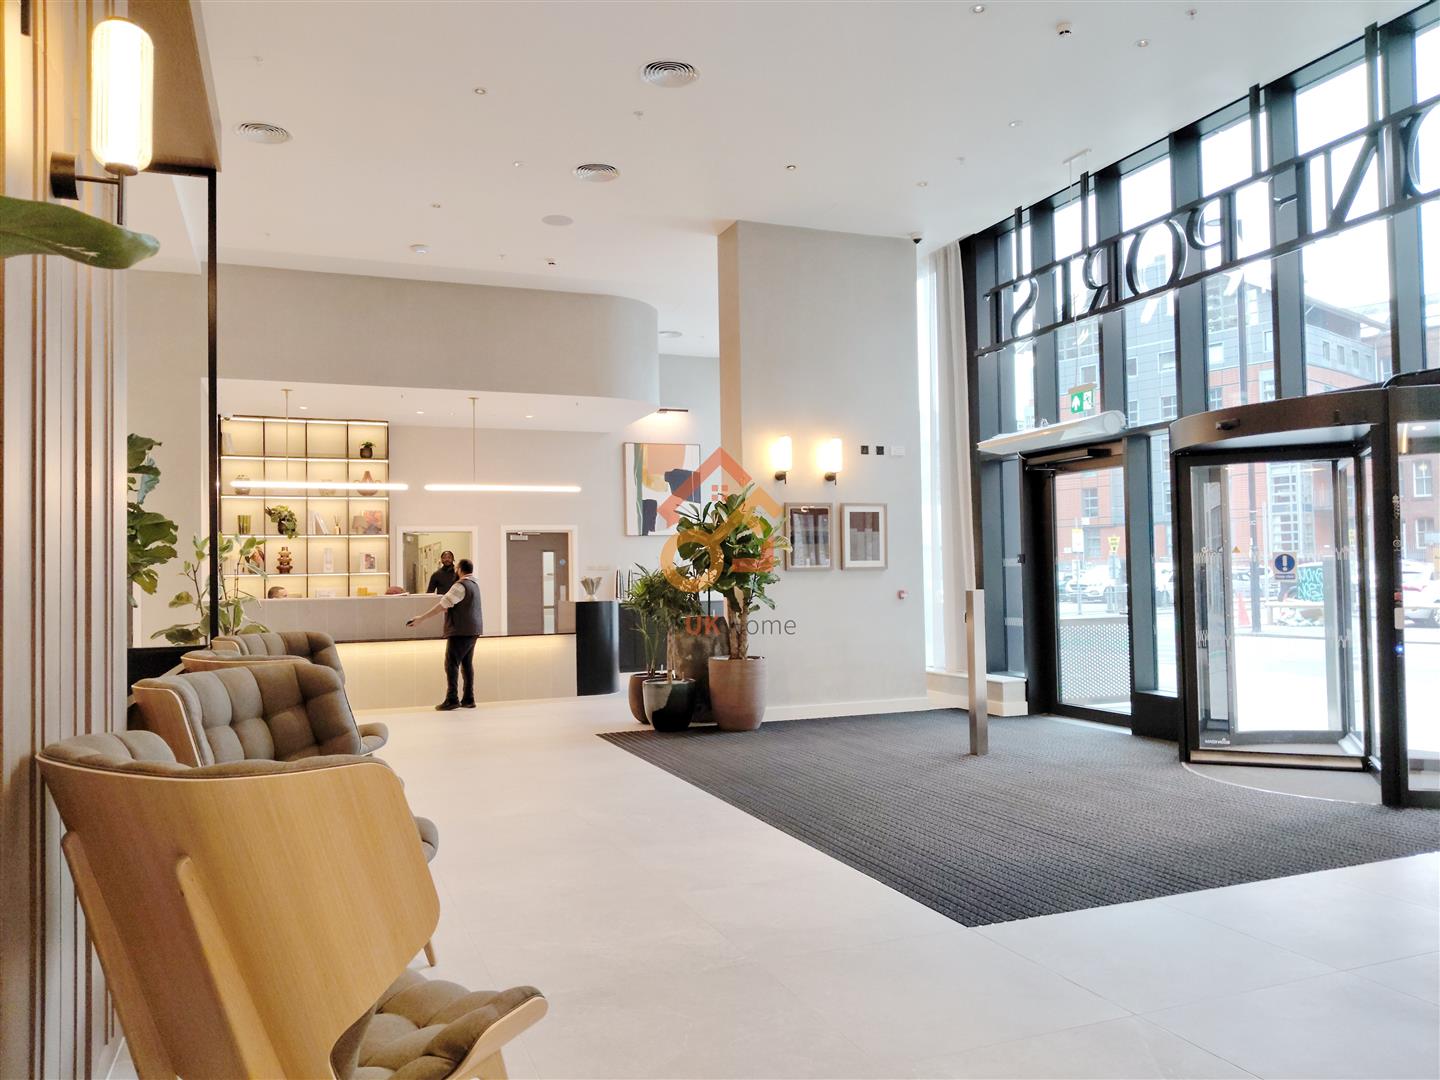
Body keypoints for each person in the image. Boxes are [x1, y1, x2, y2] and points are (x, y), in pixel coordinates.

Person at [407, 558, 482, 711]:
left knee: (451, 664)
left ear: (459, 569)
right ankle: (468, 699)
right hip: (473, 629)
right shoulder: (475, 585)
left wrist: (421, 618)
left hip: (460, 630)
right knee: (466, 664)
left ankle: (452, 699)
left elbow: (443, 605)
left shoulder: (460, 585)